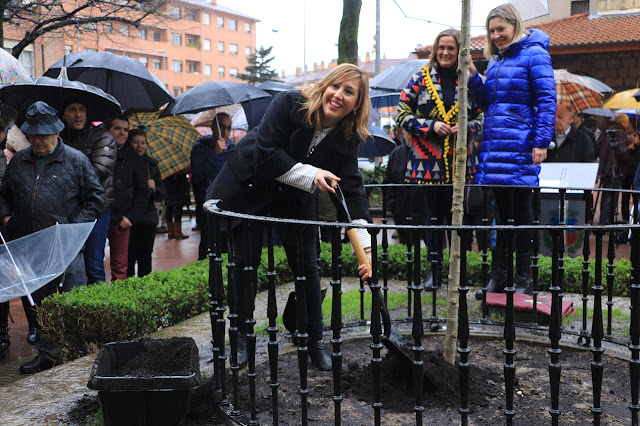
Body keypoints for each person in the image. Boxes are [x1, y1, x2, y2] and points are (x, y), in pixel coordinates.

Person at [207, 63, 373, 371]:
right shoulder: (289, 103)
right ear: (325, 85)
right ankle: (241, 337)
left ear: (357, 104)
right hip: (250, 183)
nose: (338, 95)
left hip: (295, 194)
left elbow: (350, 189)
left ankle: (315, 340)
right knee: (244, 263)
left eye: (349, 92)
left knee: (308, 265)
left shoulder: (348, 137)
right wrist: (313, 174)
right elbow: (267, 152)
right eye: (335, 86)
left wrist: (364, 250)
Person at [0, 101, 105, 373]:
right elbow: (3, 196)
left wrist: (73, 228)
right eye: (32, 134)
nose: (37, 140)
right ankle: (47, 354)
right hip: (32, 247)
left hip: (67, 246)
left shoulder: (75, 160)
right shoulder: (20, 162)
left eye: (43, 135)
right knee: (40, 306)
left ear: (56, 132)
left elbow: (96, 199)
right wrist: (6, 219)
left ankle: (78, 353)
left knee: (73, 301)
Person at [469, 4, 556, 298]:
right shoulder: (495, 62)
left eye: (500, 30)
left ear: (515, 25)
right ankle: (499, 276)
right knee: (501, 216)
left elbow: (546, 100)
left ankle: (522, 278)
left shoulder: (535, 54)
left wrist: (541, 142)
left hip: (520, 146)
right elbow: (487, 103)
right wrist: (472, 76)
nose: (496, 36)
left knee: (521, 215)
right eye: (491, 31)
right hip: (496, 148)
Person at [396, 28, 484, 290]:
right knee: (433, 221)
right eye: (441, 48)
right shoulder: (419, 79)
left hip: (461, 166)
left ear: (460, 52)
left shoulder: (468, 81)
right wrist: (429, 126)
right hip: (426, 165)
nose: (445, 53)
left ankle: (459, 272)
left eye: (451, 48)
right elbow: (402, 115)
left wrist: (468, 128)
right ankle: (435, 271)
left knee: (461, 222)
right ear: (435, 50)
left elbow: (483, 117)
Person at [60, 99, 116, 285]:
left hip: (96, 210)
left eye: (82, 109)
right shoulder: (60, 139)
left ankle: (98, 311)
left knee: (94, 265)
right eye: (72, 109)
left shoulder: (103, 138)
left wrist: (62, 177)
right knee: (70, 266)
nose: (78, 115)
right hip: (68, 210)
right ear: (63, 114)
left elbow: (98, 171)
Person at [105, 116, 148, 281]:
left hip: (122, 219)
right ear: (109, 130)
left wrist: (131, 217)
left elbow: (142, 191)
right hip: (100, 216)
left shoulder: (135, 159)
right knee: (93, 265)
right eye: (117, 128)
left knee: (120, 268)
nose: (122, 132)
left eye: (125, 129)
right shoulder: (99, 152)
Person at [190, 112, 235, 260]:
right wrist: (216, 153)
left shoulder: (232, 147)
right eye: (221, 127)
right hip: (207, 204)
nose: (225, 132)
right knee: (209, 244)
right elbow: (198, 176)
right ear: (212, 127)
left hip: (228, 204)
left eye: (228, 128)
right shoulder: (201, 146)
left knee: (227, 246)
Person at [127, 129, 166, 277]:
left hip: (148, 218)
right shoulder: (125, 163)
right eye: (135, 142)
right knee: (129, 258)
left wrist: (154, 187)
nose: (139, 146)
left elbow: (161, 195)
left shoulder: (152, 165)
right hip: (129, 218)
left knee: (145, 257)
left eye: (143, 142)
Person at [595, 114, 636, 224]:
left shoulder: (605, 131)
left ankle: (602, 222)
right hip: (615, 169)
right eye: (627, 122)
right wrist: (631, 163)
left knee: (605, 196)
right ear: (622, 122)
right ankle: (608, 223)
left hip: (604, 169)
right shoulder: (620, 133)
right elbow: (622, 152)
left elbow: (597, 147)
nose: (628, 125)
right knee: (612, 197)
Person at [163, 169, 190, 239]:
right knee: (178, 206)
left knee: (169, 206)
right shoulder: (180, 162)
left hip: (168, 182)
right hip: (179, 183)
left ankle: (170, 231)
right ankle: (177, 231)